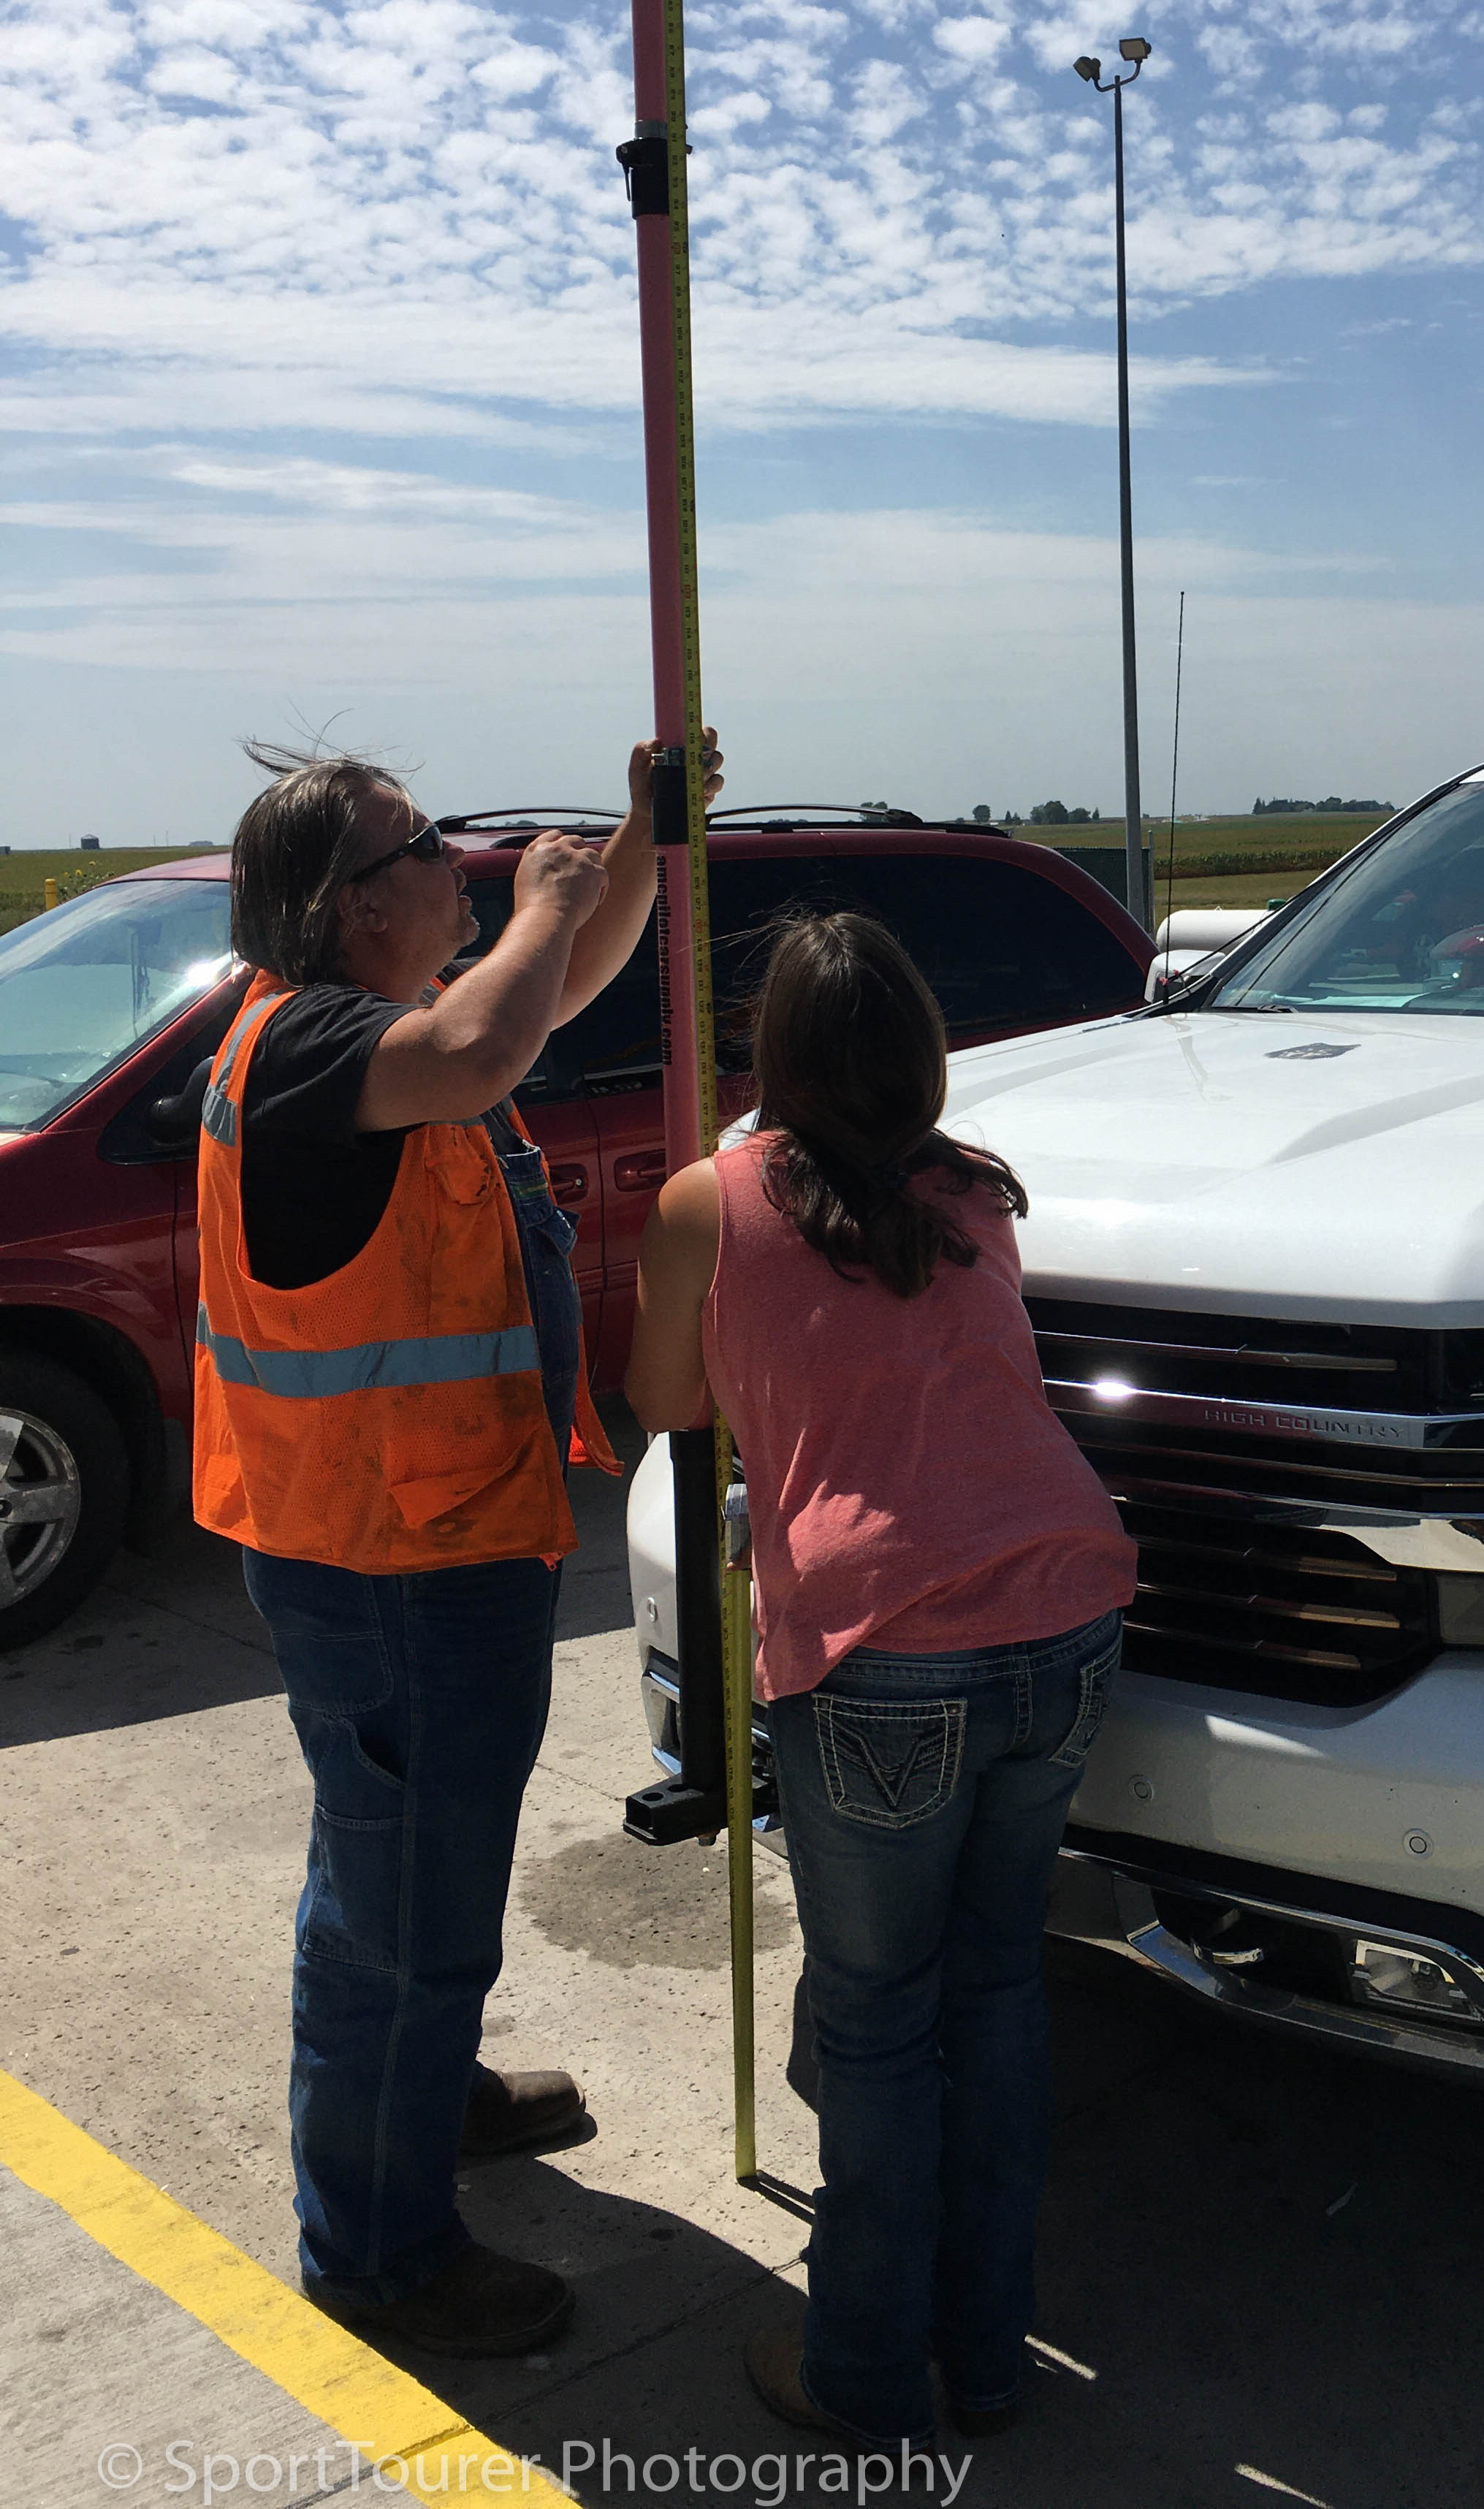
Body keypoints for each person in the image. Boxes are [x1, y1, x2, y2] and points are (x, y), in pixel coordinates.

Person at [197, 731, 720, 2358]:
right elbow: (502, 1037)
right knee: (400, 1908)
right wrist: (545, 901)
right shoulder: (305, 1047)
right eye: (421, 849)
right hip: (387, 1562)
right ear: (348, 907)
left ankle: (426, 2091)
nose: (457, 865)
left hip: (423, 1542)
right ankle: (378, 2247)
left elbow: (544, 1002)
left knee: (396, 1874)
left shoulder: (389, 1035)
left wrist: (633, 846)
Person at [625, 910, 1136, 2450]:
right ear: (919, 1054)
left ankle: (859, 2370)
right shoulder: (974, 1193)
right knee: (993, 1993)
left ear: (770, 1056)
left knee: (877, 2018)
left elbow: (664, 1397)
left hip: (877, 1657)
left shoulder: (708, 1204)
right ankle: (983, 2355)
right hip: (1066, 1616)